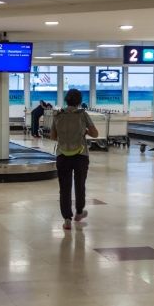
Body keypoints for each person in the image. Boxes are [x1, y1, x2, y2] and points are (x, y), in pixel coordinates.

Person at [50, 89, 99, 231]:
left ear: (66, 100)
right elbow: (95, 134)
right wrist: (84, 131)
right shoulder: (83, 115)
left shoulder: (58, 115)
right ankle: (79, 212)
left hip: (62, 155)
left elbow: (53, 136)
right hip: (81, 155)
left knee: (64, 187)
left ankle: (66, 219)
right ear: (79, 101)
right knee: (80, 184)